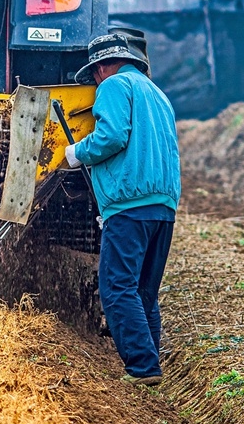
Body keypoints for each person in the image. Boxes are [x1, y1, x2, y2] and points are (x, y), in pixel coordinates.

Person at [65, 33, 180, 387]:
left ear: (100, 67)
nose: (96, 81)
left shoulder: (114, 86)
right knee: (144, 291)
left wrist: (75, 154)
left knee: (117, 287)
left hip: (129, 203)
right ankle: (151, 366)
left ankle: (141, 367)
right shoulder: (158, 94)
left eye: (94, 75)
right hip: (163, 206)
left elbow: (113, 136)